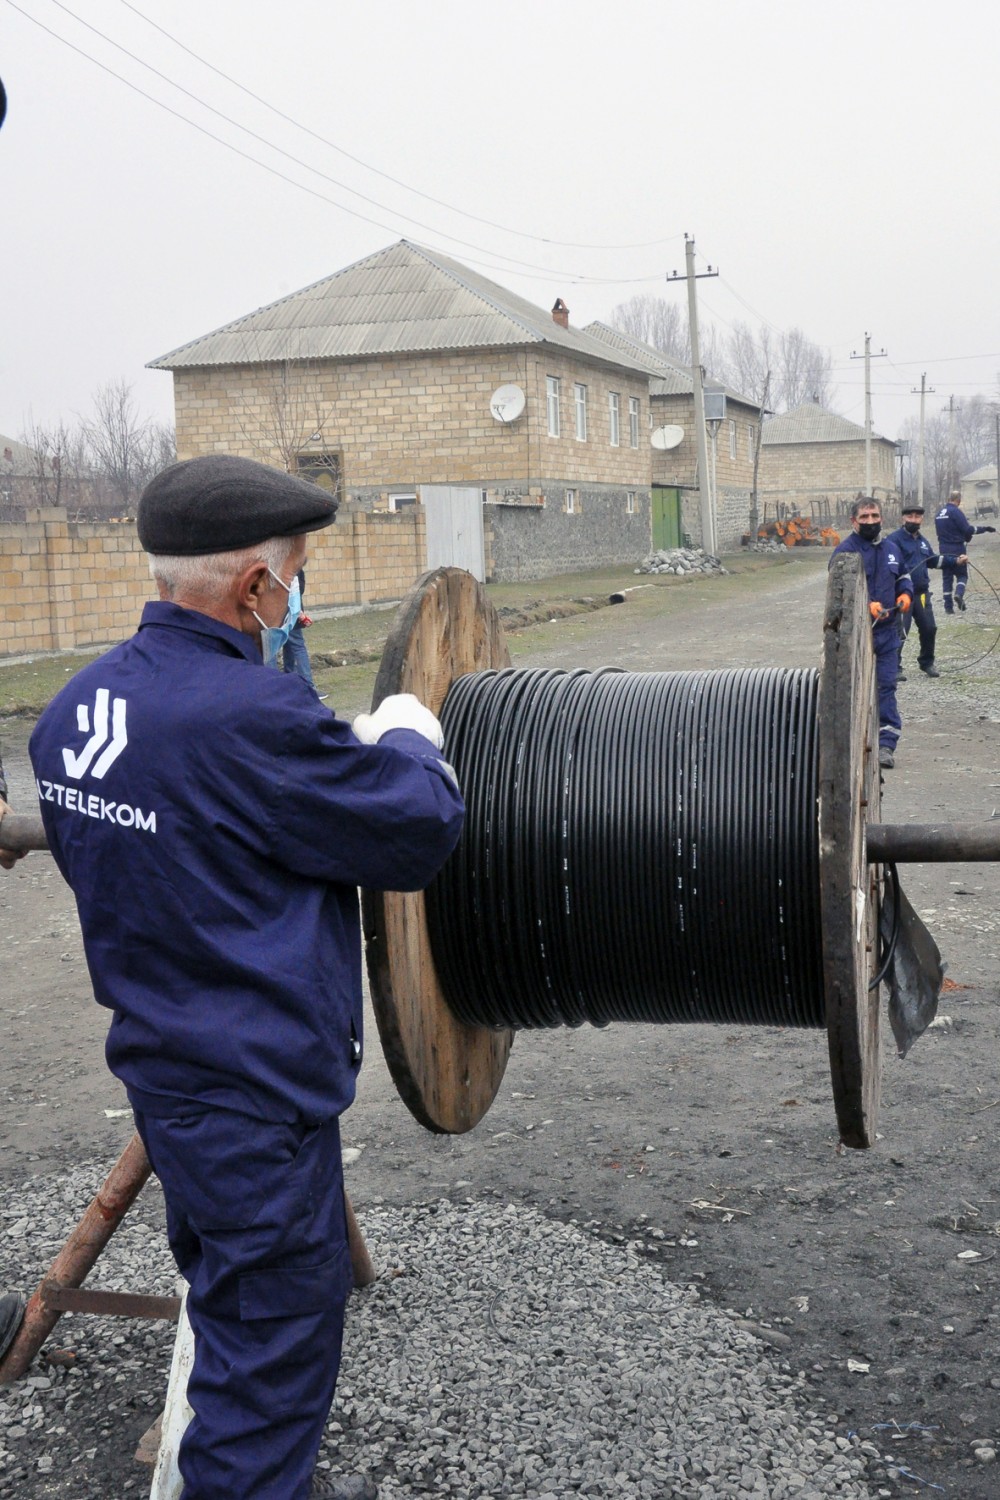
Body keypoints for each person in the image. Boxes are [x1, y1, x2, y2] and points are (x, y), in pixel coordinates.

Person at [18, 455, 465, 1500]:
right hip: (259, 1109)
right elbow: (417, 830)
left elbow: (185, 830)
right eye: (294, 574)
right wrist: (405, 734)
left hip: (167, 1082)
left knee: (233, 1302)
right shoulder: (252, 722)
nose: (294, 595)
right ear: (254, 588)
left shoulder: (73, 714)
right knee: (268, 1374)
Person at [830, 496, 913, 770]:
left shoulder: (892, 548)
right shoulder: (844, 552)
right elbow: (837, 595)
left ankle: (886, 745)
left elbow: (903, 576)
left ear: (882, 518)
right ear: (853, 521)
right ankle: (850, 743)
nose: (870, 522)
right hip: (855, 635)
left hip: (888, 633)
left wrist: (905, 595)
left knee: (886, 685)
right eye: (864, 517)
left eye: (874, 516)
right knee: (852, 688)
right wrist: (865, 605)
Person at [885, 504, 967, 680]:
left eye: (917, 517)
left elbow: (933, 560)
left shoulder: (922, 541)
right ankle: (894, 667)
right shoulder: (893, 540)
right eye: (910, 517)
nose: (913, 520)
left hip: (921, 594)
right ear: (903, 519)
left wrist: (956, 561)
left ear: (921, 519)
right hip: (902, 595)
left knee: (930, 628)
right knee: (900, 631)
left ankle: (927, 663)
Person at [933, 489, 996, 613]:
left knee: (947, 577)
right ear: (959, 500)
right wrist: (986, 529)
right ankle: (959, 594)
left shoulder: (938, 513)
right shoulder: (956, 512)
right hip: (957, 547)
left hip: (943, 548)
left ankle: (948, 607)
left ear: (949, 498)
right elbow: (968, 530)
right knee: (962, 575)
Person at [281, 566, 316, 685]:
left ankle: (288, 681)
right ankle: (308, 685)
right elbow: (300, 588)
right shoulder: (293, 563)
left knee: (286, 646)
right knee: (296, 646)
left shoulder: (272, 561)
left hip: (278, 612)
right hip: (291, 612)